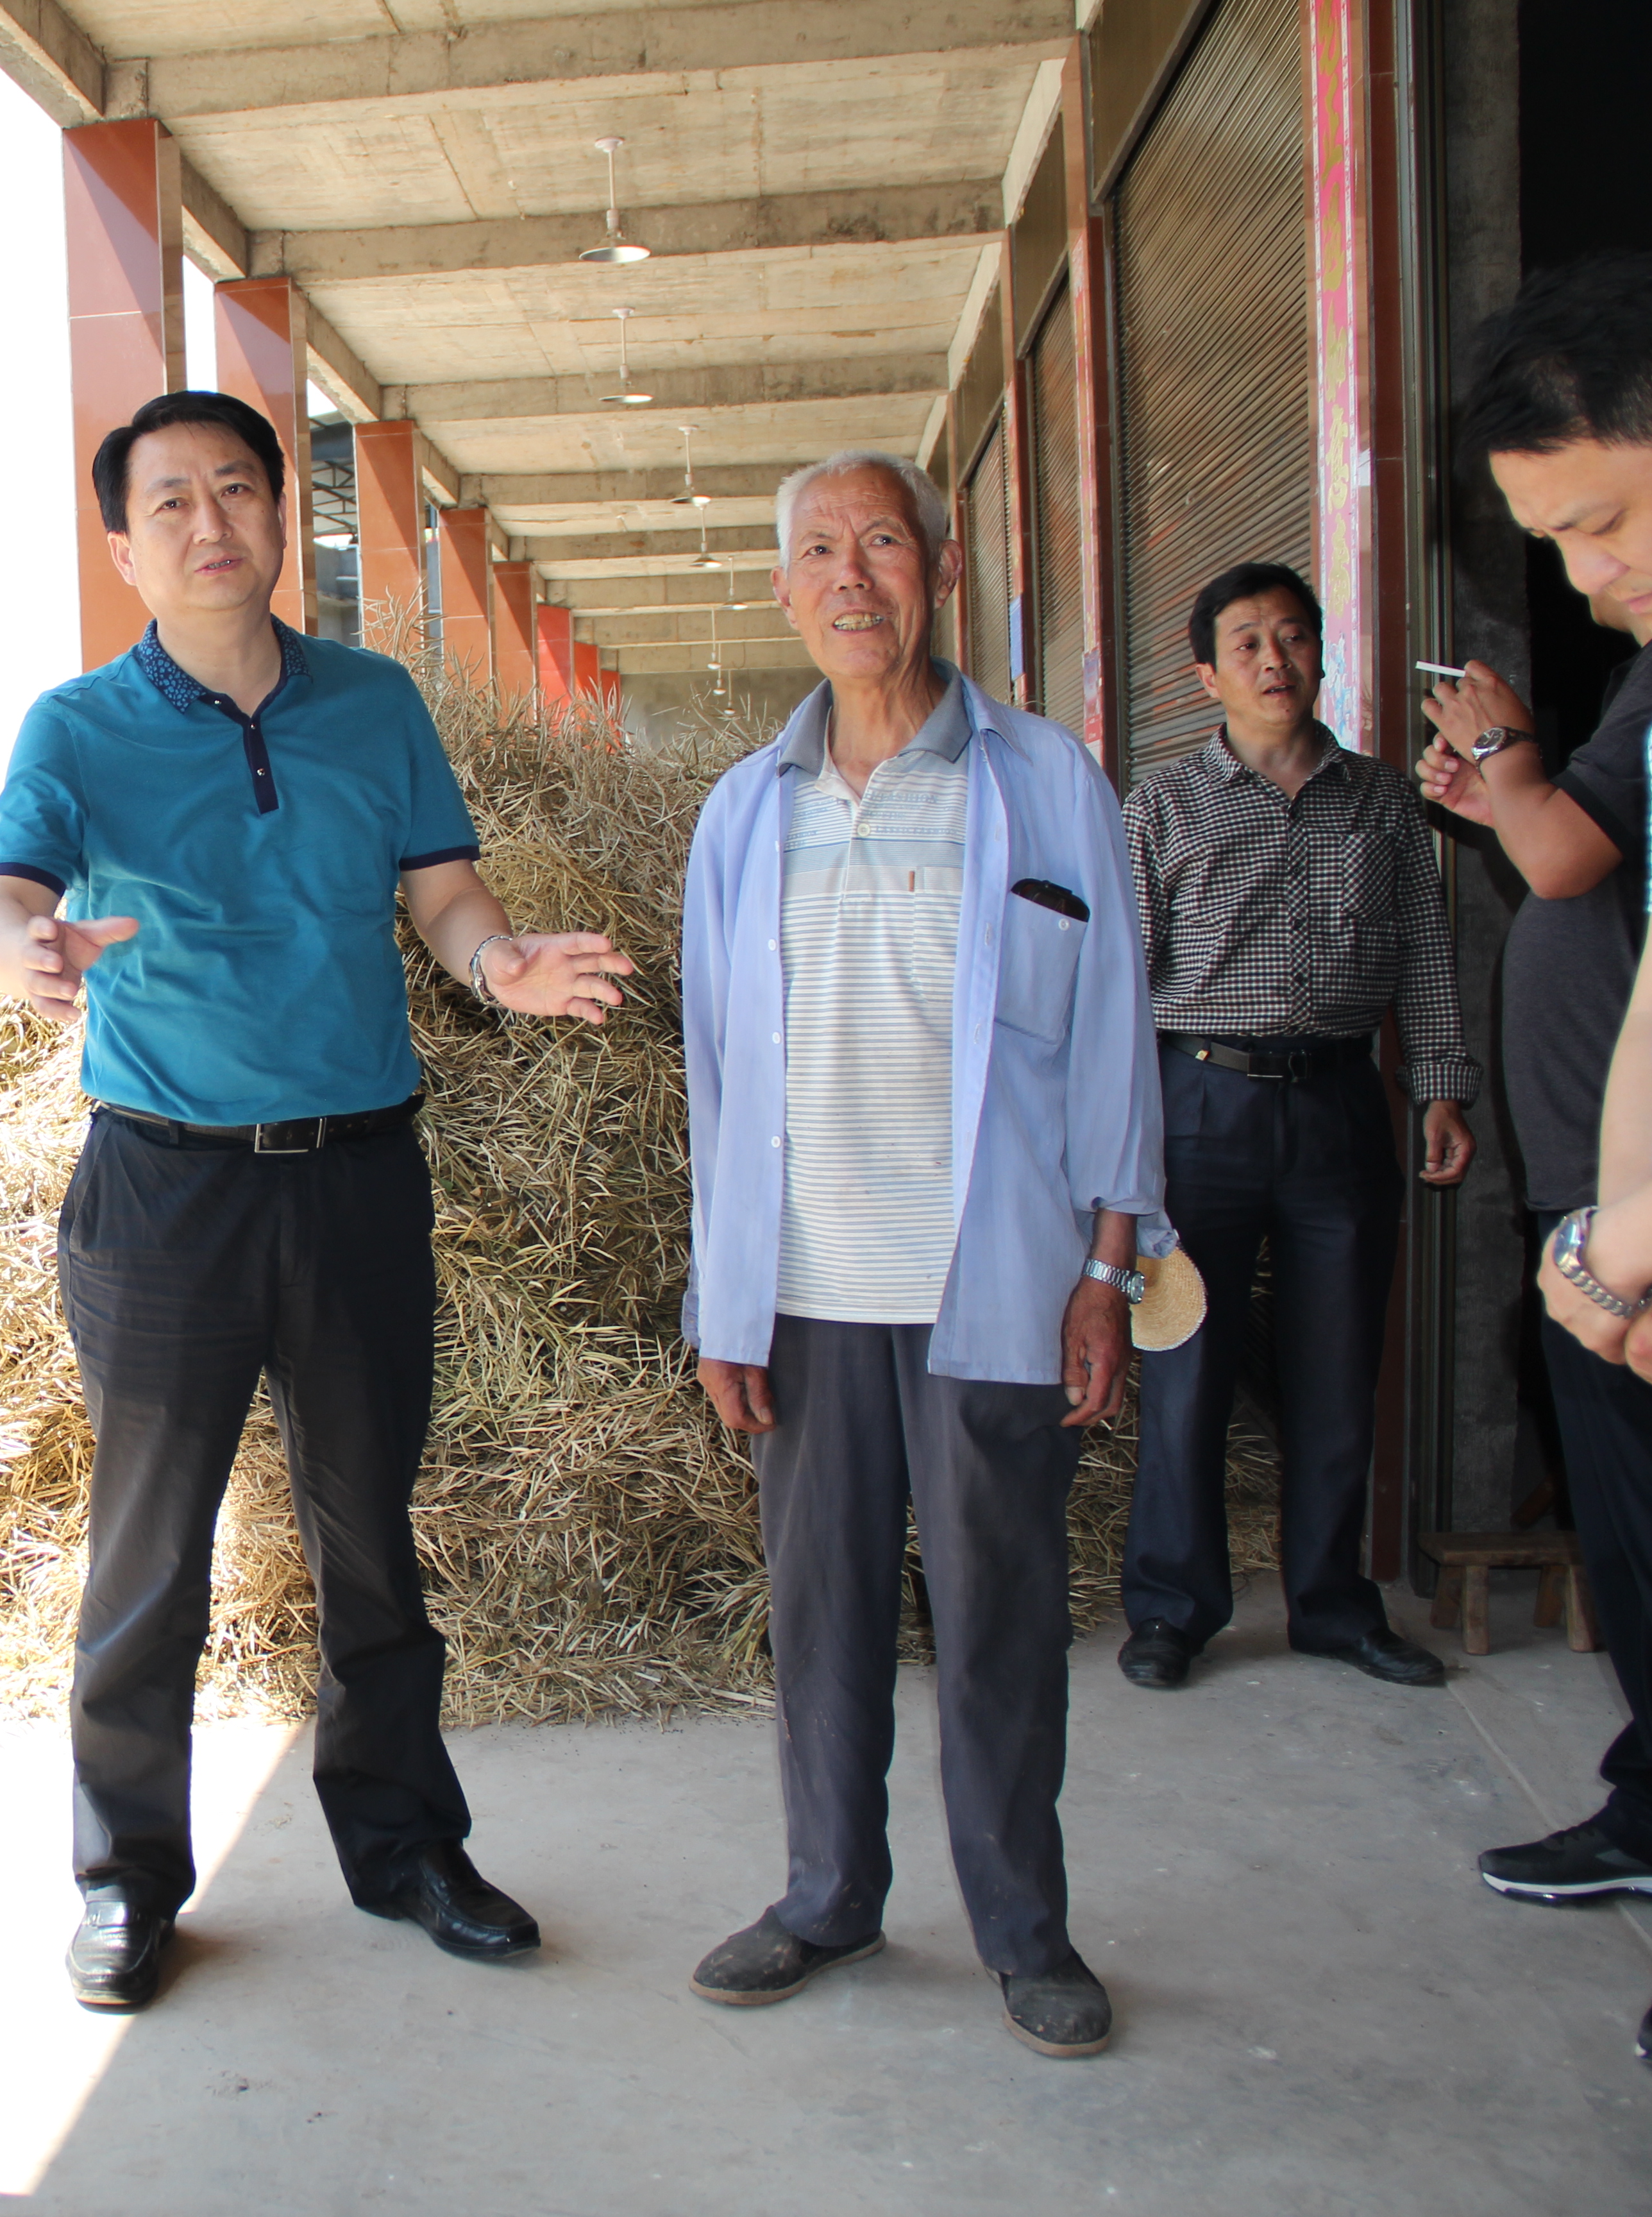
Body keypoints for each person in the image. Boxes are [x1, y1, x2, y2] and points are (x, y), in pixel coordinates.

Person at [0, 389, 637, 2013]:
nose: (212, 523)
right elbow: (3, 890)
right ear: (124, 543)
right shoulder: (76, 726)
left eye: (239, 490)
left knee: (372, 1545)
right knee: (149, 1557)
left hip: (354, 1180)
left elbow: (442, 888)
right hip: (165, 1195)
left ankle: (406, 1848)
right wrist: (22, 947)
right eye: (173, 500)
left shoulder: (374, 703)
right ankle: (126, 1882)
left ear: (282, 518)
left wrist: (496, 961)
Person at [679, 448, 1163, 2060]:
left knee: (1003, 1617)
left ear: (935, 567)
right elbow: (716, 1073)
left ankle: (1027, 1928)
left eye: (881, 541)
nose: (852, 576)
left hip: (996, 1282)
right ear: (784, 592)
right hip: (807, 1293)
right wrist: (720, 1298)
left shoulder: (1044, 780)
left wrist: (1110, 1260)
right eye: (819, 548)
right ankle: (828, 1896)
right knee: (819, 1617)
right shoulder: (746, 812)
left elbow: (1112, 1037)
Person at [1467, 247, 1652, 2078]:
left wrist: (1627, 1251)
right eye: (1554, 539)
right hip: (1642, 1241)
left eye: (1606, 519)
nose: (1588, 576)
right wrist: (1611, 1249)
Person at [1116, 562, 1474, 1694]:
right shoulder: (1160, 806)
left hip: (1338, 1105)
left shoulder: (1382, 804)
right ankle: (1175, 1609)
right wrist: (1109, 1148)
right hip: (1198, 1107)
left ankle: (1333, 1603)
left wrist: (1442, 1085)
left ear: (1322, 655)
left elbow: (1424, 954)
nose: (1275, 661)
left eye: (1293, 638)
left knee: (1336, 1366)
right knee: (1186, 1368)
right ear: (1206, 673)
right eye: (1248, 644)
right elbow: (1118, 984)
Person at [1419, 607, 1652, 1928]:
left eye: (1592, 523)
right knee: (1637, 1540)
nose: (1584, 578)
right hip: (1612, 1211)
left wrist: (1511, 751)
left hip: (1643, 1228)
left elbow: (1573, 858)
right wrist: (1503, 799)